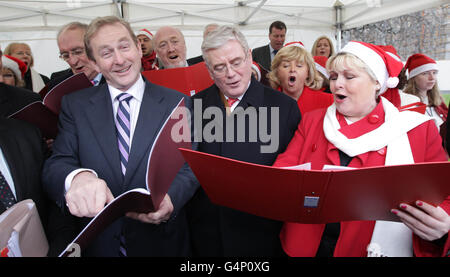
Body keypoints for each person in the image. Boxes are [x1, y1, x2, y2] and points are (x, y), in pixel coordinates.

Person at [273, 41, 449, 257]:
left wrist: (443, 224)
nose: (337, 84)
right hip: (307, 247)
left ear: (377, 82)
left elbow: (444, 195)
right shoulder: (312, 121)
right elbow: (281, 173)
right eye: (335, 76)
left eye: (349, 77)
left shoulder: (418, 130)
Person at [42, 16, 199, 257]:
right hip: (100, 245)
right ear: (94, 61)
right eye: (106, 53)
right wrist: (77, 178)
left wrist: (171, 199)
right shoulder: (75, 106)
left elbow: (190, 165)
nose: (119, 60)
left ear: (138, 47)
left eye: (124, 47)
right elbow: (58, 163)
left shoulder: (177, 102)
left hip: (163, 244)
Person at [187, 25, 301, 257]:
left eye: (236, 62)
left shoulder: (284, 108)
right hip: (207, 240)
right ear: (209, 71)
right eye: (220, 67)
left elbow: (294, 177)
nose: (231, 73)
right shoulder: (192, 107)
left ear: (250, 57)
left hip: (262, 239)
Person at [267, 41, 333, 115]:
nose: (292, 69)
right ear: (277, 72)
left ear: (308, 72)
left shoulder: (329, 101)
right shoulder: (266, 102)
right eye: (286, 65)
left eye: (299, 66)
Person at [48, 22, 104, 90]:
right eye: (65, 55)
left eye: (78, 52)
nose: (73, 62)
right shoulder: (58, 86)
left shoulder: (116, 78)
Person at [402, 53, 448, 129]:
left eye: (434, 73)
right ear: (413, 78)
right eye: (425, 73)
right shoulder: (405, 102)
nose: (432, 78)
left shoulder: (439, 101)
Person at [0, 47, 42, 118]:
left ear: (16, 79)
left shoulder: (29, 101)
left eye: (7, 75)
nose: (2, 80)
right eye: (20, 53)